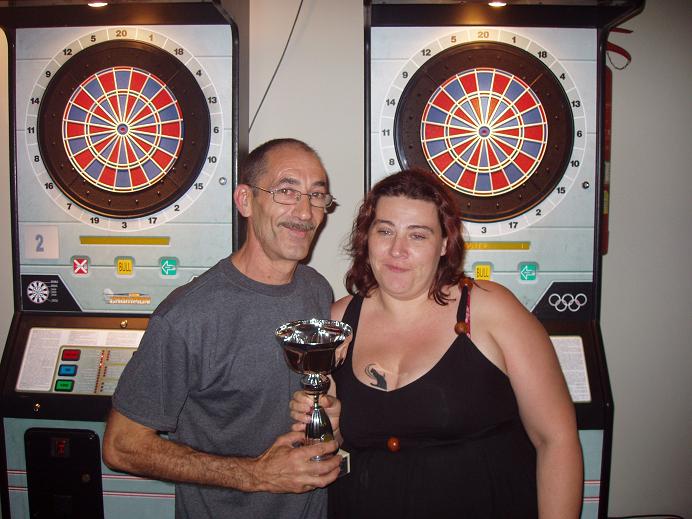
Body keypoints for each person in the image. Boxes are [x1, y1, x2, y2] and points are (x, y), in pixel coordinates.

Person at [291, 169, 583, 519]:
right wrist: (330, 429)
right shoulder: (338, 321)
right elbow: (335, 444)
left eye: (418, 235)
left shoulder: (490, 309)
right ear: (367, 237)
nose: (397, 250)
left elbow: (556, 440)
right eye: (385, 231)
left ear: (444, 244)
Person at [103, 138, 343, 519]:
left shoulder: (316, 289)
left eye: (316, 195)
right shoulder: (188, 316)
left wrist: (328, 412)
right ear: (245, 201)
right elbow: (121, 445)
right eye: (286, 191)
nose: (305, 212)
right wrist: (257, 475)